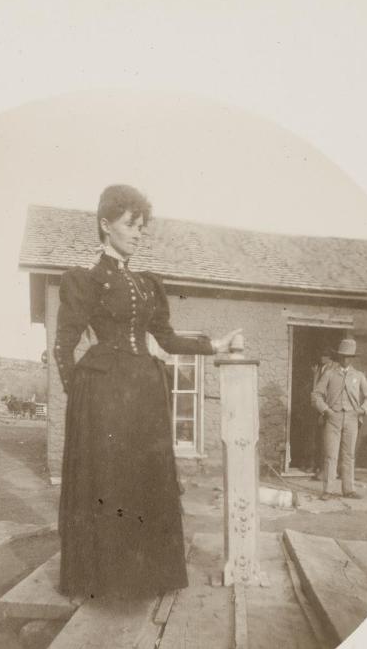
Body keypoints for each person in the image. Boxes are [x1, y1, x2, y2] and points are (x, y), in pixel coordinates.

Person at [53, 185, 242, 600]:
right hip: (105, 398)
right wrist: (80, 400)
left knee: (142, 482)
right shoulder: (84, 281)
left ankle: (142, 578)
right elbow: (62, 348)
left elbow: (168, 339)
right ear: (106, 225)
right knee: (112, 483)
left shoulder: (147, 283)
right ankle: (105, 580)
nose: (138, 234)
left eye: (141, 226)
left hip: (145, 395)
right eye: (129, 225)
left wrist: (215, 346)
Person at [311, 338, 367, 501]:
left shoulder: (359, 376)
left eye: (349, 357)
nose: (346, 359)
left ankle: (349, 489)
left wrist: (361, 410)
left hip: (352, 419)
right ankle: (328, 490)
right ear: (339, 357)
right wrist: (326, 410)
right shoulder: (329, 374)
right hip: (333, 418)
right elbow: (316, 395)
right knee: (331, 455)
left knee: (349, 455)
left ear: (353, 358)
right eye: (343, 356)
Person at [309, 349, 335, 477]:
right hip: (319, 406)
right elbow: (316, 389)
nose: (321, 358)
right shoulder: (319, 368)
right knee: (318, 437)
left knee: (327, 439)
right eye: (321, 355)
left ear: (329, 357)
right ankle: (317, 466)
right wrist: (314, 375)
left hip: (328, 407)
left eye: (324, 355)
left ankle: (325, 469)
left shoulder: (334, 369)